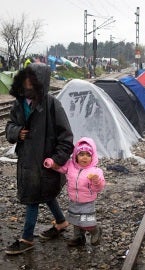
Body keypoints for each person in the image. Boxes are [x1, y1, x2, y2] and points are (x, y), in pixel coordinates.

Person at [5, 63, 74, 255]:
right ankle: (61, 222)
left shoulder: (52, 104)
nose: (26, 87)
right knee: (45, 194)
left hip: (46, 164)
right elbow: (9, 126)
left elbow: (67, 137)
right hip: (27, 162)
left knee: (33, 199)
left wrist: (57, 160)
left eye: (31, 83)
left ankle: (26, 238)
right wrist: (17, 132)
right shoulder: (19, 103)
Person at [44, 137, 105, 246]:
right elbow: (61, 168)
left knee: (87, 222)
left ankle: (95, 230)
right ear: (76, 156)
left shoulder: (95, 171)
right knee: (76, 220)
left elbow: (98, 188)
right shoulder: (71, 165)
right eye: (81, 154)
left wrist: (96, 180)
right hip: (74, 199)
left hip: (87, 201)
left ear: (93, 156)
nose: (84, 158)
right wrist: (52, 164)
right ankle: (79, 237)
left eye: (88, 155)